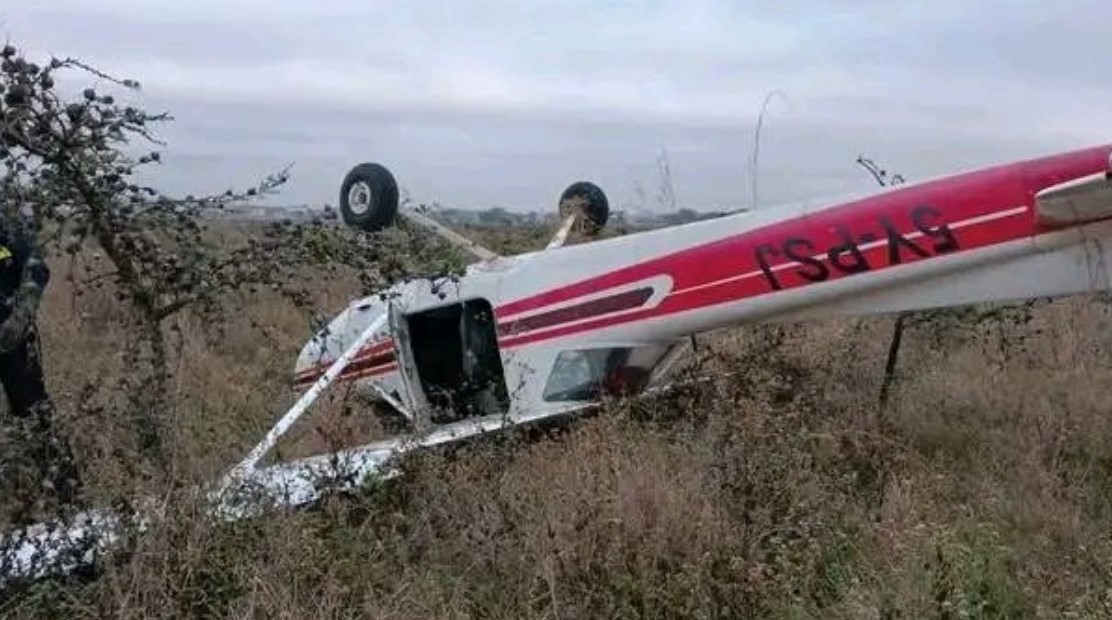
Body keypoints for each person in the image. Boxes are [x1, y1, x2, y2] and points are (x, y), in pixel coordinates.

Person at [0, 207, 80, 523]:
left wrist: (20, 317)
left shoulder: (7, 220)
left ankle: (71, 506)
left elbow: (36, 268)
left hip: (13, 344)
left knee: (36, 418)